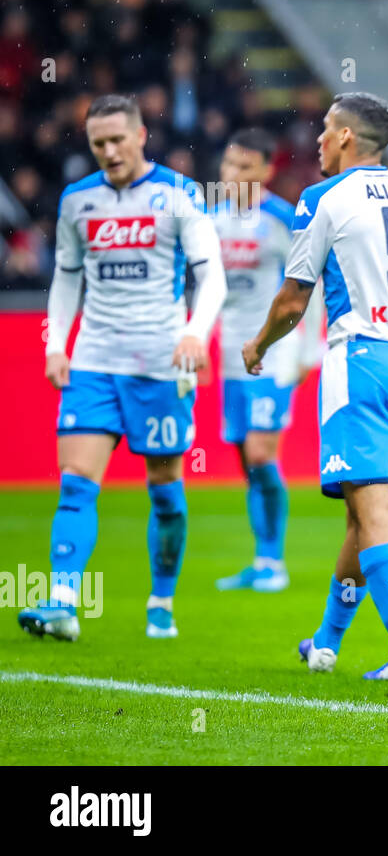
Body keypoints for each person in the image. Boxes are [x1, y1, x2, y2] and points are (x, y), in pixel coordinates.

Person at [242, 92, 388, 681]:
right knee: (361, 517)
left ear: (344, 138)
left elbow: (292, 299)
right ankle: (326, 642)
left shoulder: (321, 199)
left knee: (375, 514)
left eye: (324, 129)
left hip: (359, 357)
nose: (316, 140)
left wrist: (259, 346)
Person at [19, 94, 227, 641]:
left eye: (117, 140)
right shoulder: (76, 200)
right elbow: (66, 278)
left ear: (140, 137)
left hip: (161, 362)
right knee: (77, 482)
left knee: (163, 485)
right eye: (97, 144)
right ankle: (63, 602)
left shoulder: (178, 194)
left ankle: (161, 599)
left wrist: (194, 333)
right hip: (94, 361)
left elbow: (213, 277)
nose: (108, 151)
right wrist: (55, 344)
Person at [212, 128, 323, 593]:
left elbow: (307, 284)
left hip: (274, 353)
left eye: (242, 167)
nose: (231, 174)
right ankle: (262, 558)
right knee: (245, 457)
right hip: (229, 354)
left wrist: (307, 350)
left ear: (264, 170)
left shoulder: (283, 218)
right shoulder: (209, 220)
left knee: (261, 454)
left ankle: (273, 563)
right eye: (227, 165)